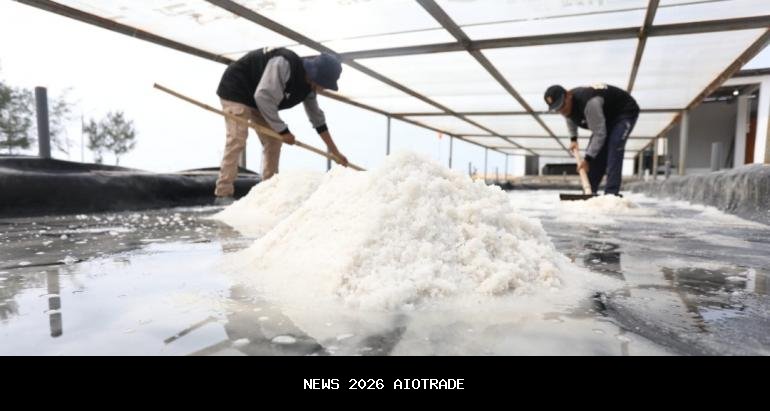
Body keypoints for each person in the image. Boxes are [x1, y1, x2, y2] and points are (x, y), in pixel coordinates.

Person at [214, 47, 349, 204]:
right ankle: (223, 193)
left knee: (274, 141)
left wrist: (335, 152)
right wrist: (283, 130)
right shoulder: (285, 63)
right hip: (237, 88)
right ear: (316, 76)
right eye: (325, 84)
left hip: (259, 100)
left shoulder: (308, 88)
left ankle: (267, 190)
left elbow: (317, 119)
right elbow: (263, 96)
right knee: (238, 138)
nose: (325, 88)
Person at [544, 83, 639, 195]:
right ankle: (589, 192)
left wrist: (587, 159)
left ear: (568, 95)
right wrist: (573, 139)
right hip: (605, 116)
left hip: (623, 112)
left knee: (614, 145)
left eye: (562, 105)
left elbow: (600, 134)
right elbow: (570, 118)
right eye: (557, 109)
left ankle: (612, 194)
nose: (562, 111)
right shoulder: (566, 107)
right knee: (595, 153)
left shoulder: (589, 103)